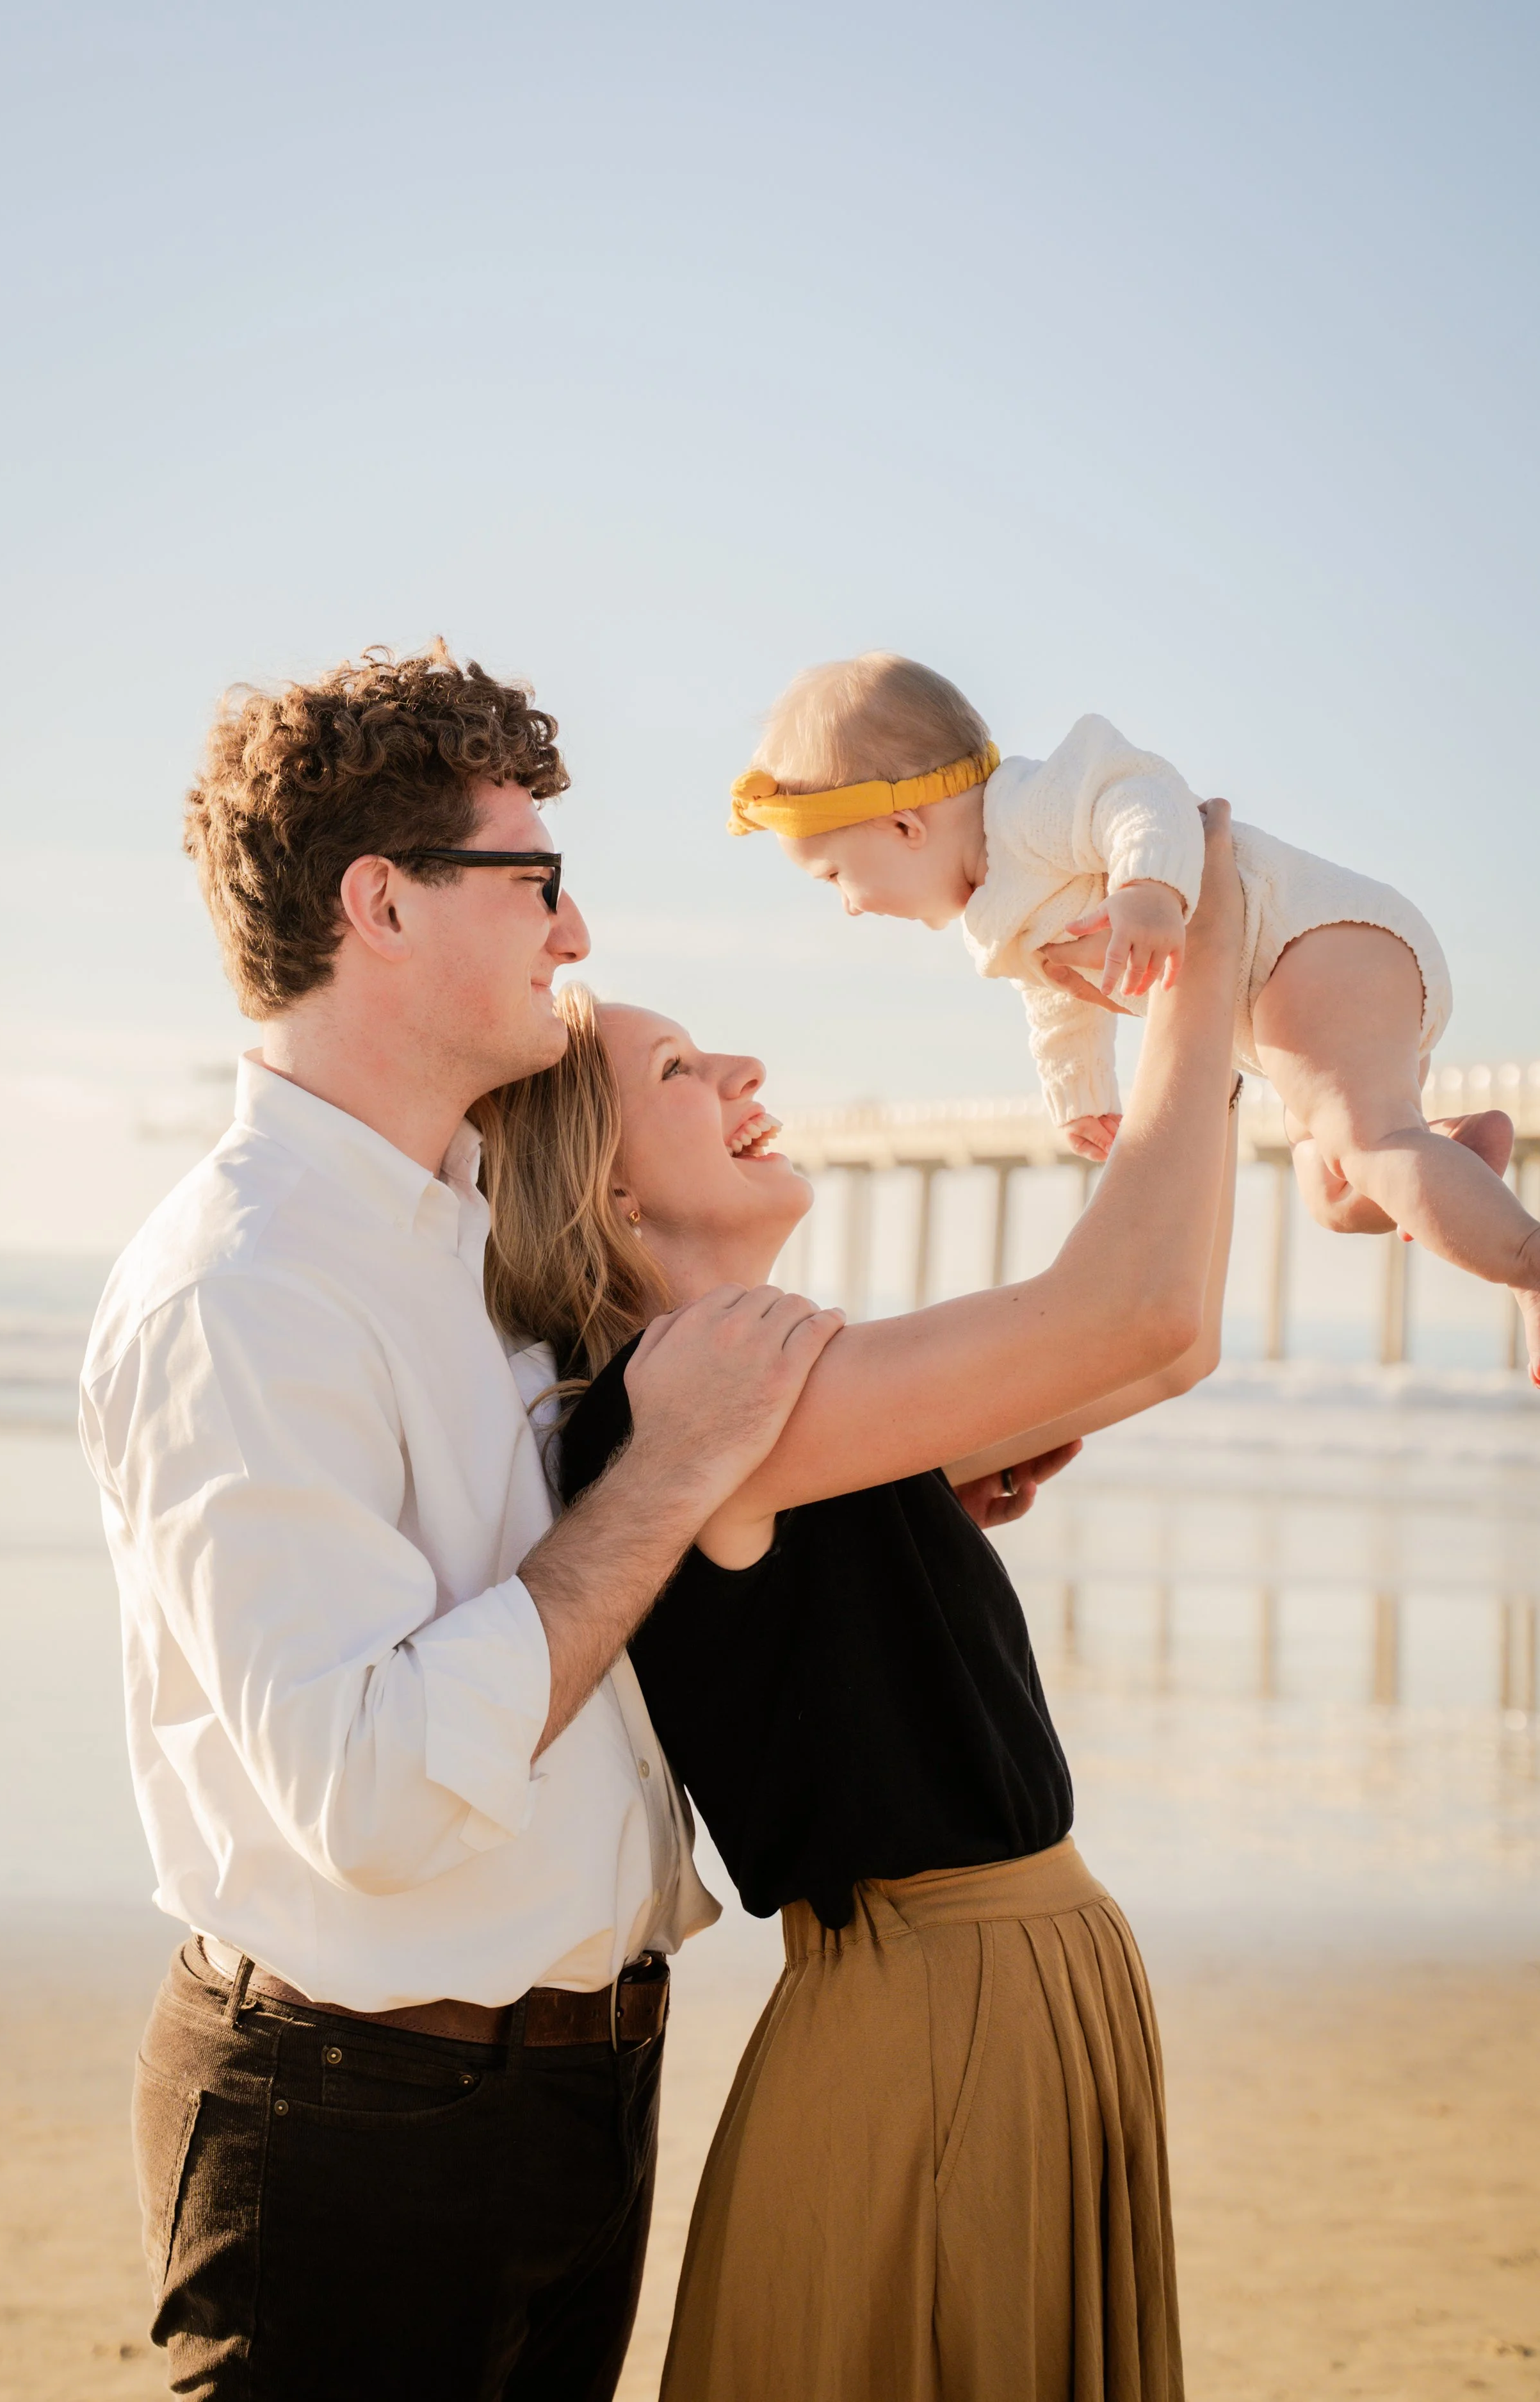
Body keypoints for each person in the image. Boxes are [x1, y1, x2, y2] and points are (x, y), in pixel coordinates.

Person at [77, 642, 845, 2401]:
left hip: (583, 2090)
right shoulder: (245, 1291)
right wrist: (664, 1471)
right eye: (536, 880)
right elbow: (367, 1793)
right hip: (354, 2126)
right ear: (384, 905)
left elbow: (623, 1538)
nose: (572, 935)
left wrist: (860, 1473)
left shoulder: (488, 1222)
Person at [474, 804, 1245, 2401]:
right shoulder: (688, 1393)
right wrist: (1209, 958)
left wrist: (1207, 1061)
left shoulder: (758, 1376)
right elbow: (1140, 1304)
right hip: (935, 2009)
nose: (745, 1070)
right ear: (610, 1197)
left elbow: (1166, 1346)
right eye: (680, 1071)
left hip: (1003, 1983)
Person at [728, 651, 1540, 1376]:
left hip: (1316, 942)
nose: (847, 909)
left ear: (905, 826)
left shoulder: (1030, 806)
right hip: (1281, 1006)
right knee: (1335, 1196)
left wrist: (1147, 887)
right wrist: (1080, 1095)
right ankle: (1451, 1155)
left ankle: (1527, 1263)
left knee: (1367, 1144)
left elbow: (1140, 793)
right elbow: (1056, 1001)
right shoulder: (1002, 912)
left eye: (835, 878)